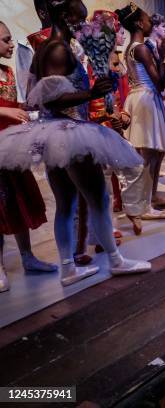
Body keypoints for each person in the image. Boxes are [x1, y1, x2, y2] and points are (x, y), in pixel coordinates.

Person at [0, 0, 151, 286]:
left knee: (67, 204)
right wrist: (91, 93)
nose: (82, 27)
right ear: (66, 16)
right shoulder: (57, 48)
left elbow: (36, 92)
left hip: (54, 134)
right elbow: (50, 98)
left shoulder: (45, 49)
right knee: (98, 199)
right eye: (79, 21)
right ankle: (116, 260)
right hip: (69, 133)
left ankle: (68, 267)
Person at [0, 21, 56, 292]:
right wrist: (6, 112)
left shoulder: (8, 72)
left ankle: (27, 256)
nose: (11, 44)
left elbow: (12, 104)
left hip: (12, 147)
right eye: (6, 39)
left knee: (19, 202)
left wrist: (24, 106)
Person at [117, 4, 165, 235]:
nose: (150, 22)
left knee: (150, 155)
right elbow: (160, 81)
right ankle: (141, 206)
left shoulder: (133, 47)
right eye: (146, 19)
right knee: (147, 156)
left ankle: (144, 203)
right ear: (139, 24)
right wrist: (163, 55)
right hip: (146, 98)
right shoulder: (140, 48)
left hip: (142, 97)